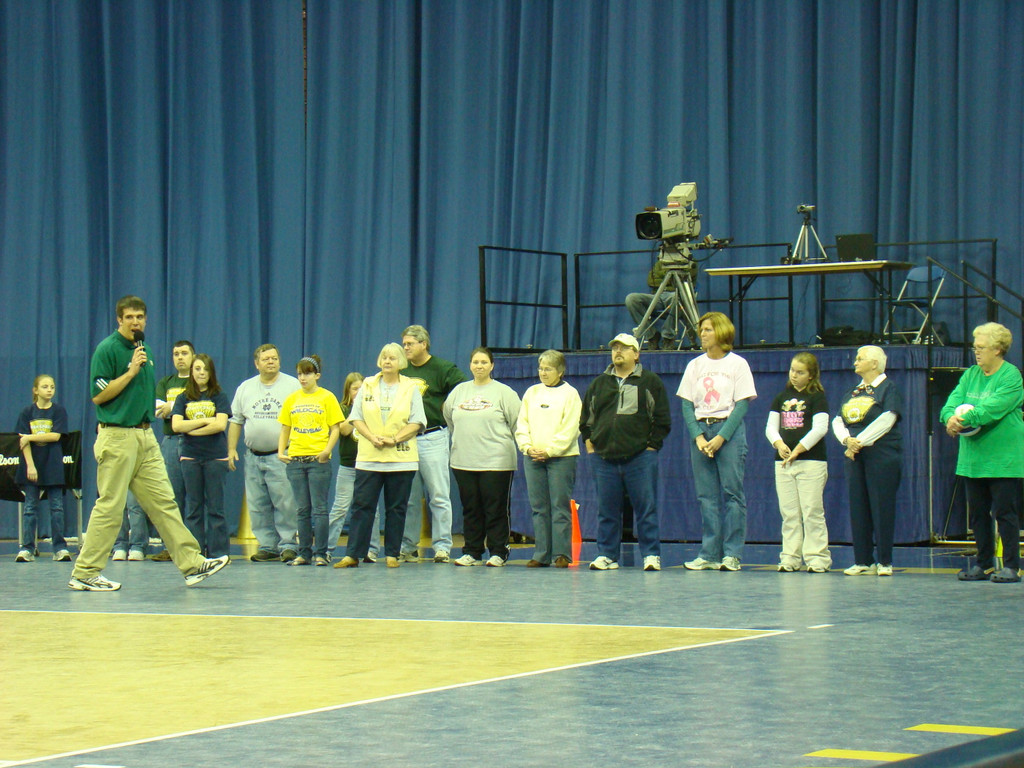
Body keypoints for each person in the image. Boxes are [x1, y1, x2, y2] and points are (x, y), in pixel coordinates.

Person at [68, 295, 229, 591]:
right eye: (129, 317)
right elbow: (99, 395)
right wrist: (130, 371)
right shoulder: (108, 350)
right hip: (117, 436)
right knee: (111, 506)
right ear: (119, 320)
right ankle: (85, 572)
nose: (135, 322)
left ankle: (192, 564)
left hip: (145, 435)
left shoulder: (146, 350)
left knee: (164, 501)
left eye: (140, 317)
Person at [579, 333, 672, 571]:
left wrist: (651, 446)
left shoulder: (650, 382)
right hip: (603, 459)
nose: (618, 351)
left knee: (646, 507)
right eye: (615, 348)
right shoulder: (599, 384)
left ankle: (651, 554)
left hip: (640, 457)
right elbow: (586, 419)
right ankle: (607, 555)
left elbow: (661, 419)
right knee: (607, 510)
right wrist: (591, 445)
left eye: (624, 348)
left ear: (636, 354)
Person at [940, 322, 1024, 583]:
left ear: (998, 350)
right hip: (972, 459)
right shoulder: (970, 375)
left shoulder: (1011, 376)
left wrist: (964, 419)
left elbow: (993, 408)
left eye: (982, 348)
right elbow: (952, 402)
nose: (976, 352)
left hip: (1003, 458)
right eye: (975, 347)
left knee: (1005, 513)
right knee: (977, 513)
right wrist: (948, 418)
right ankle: (984, 563)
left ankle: (1012, 565)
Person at [335, 343, 425, 569]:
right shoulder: (367, 384)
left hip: (401, 458)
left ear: (401, 362)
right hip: (369, 456)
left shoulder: (411, 387)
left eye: (392, 358)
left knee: (396, 508)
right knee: (362, 505)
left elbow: (417, 421)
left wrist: (395, 439)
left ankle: (392, 554)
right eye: (384, 357)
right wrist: (371, 437)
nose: (387, 361)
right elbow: (356, 418)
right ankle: (353, 554)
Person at [679, 312, 757, 572]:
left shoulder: (737, 364)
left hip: (728, 429)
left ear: (722, 333)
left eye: (708, 329)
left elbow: (742, 404)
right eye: (702, 329)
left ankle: (732, 554)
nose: (703, 334)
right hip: (702, 430)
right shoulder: (695, 366)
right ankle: (709, 553)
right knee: (706, 496)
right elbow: (687, 404)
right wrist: (698, 436)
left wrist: (722, 437)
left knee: (732, 494)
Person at [444, 347, 522, 567]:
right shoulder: (459, 391)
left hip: (496, 462)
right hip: (463, 461)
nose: (479, 366)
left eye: (484, 362)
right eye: (475, 362)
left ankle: (499, 551)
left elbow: (517, 422)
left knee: (495, 508)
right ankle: (472, 551)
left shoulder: (504, 392)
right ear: (470, 365)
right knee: (471, 508)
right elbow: (450, 419)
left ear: (492, 365)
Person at [832, 345, 903, 577]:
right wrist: (846, 440)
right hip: (855, 456)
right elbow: (838, 420)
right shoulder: (854, 391)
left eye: (860, 359)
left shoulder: (888, 388)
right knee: (858, 506)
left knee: (881, 505)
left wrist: (858, 441)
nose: (855, 362)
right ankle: (863, 560)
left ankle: (884, 561)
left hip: (881, 455)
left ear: (874, 363)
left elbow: (887, 419)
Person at [227, 343, 300, 562]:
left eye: (274, 358)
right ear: (256, 363)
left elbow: (300, 419)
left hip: (281, 456)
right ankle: (268, 545)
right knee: (258, 504)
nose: (271, 362)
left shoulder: (292, 385)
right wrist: (231, 449)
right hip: (253, 456)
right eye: (266, 358)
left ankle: (288, 544)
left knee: (285, 502)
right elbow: (236, 421)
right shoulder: (245, 388)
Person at [399, 324, 466, 562]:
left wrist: (445, 409)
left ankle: (442, 546)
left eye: (409, 344)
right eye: (404, 344)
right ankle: (407, 546)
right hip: (405, 440)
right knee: (408, 497)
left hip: (433, 436)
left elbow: (463, 391)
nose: (405, 348)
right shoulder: (400, 370)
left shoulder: (443, 368)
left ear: (423, 344)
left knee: (438, 494)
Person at [765, 352, 831, 573]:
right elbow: (771, 427)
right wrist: (779, 444)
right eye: (792, 370)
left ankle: (817, 558)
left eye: (800, 372)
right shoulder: (781, 397)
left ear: (811, 375)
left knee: (812, 511)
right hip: (784, 464)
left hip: (811, 462)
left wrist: (799, 449)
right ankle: (790, 557)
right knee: (790, 513)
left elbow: (820, 428)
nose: (794, 375)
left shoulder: (818, 398)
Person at [515, 349, 581, 568]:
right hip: (533, 458)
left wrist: (551, 450)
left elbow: (571, 428)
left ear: (560, 371)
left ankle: (562, 554)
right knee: (539, 507)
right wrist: (527, 447)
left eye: (548, 369)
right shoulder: (531, 392)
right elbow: (522, 424)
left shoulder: (570, 394)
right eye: (541, 368)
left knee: (559, 506)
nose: (543, 372)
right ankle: (541, 554)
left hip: (561, 458)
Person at [278, 355, 342, 566]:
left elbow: (335, 428)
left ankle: (321, 553)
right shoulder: (292, 399)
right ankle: (303, 553)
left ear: (317, 375)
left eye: (307, 373)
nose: (303, 378)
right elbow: (286, 427)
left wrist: (326, 451)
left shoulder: (327, 397)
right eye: (299, 374)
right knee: (302, 509)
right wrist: (281, 451)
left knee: (320, 508)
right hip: (296, 459)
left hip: (318, 460)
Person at [172, 353, 232, 558]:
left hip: (215, 457)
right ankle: (195, 554)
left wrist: (191, 429)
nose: (201, 373)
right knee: (193, 507)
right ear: (191, 371)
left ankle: (219, 553)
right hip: (190, 457)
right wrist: (206, 422)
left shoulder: (219, 396)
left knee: (216, 507)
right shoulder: (183, 398)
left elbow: (221, 424)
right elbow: (176, 425)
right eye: (197, 369)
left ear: (211, 372)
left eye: (205, 369)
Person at [327, 372, 384, 562]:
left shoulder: (374, 410)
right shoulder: (343, 409)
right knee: (340, 508)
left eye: (362, 389)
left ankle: (372, 549)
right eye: (354, 389)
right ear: (348, 391)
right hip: (348, 467)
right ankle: (327, 548)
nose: (358, 392)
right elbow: (343, 430)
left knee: (372, 509)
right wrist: (357, 412)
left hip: (368, 466)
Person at [149, 339, 196, 560]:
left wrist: (173, 407)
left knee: (195, 495)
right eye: (176, 353)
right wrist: (183, 406)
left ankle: (195, 545)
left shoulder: (199, 381)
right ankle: (173, 547)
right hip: (170, 441)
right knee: (173, 496)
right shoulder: (165, 382)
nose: (180, 357)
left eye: (184, 353)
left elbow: (201, 410)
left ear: (193, 356)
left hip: (195, 442)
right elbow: (159, 410)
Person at [16, 374, 70, 562]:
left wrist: (30, 437)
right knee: (30, 508)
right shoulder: (27, 413)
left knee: (57, 508)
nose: (49, 390)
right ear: (35, 390)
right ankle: (28, 548)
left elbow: (55, 436)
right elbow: (22, 443)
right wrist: (30, 466)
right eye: (45, 386)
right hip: (32, 467)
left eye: (52, 387)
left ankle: (60, 548)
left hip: (53, 466)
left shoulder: (59, 412)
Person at [626, 259, 678, 350]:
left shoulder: (689, 263)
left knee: (677, 297)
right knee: (631, 299)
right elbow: (651, 281)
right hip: (657, 295)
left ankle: (668, 337)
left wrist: (663, 276)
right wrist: (668, 277)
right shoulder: (660, 262)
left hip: (675, 294)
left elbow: (682, 280)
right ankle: (651, 335)